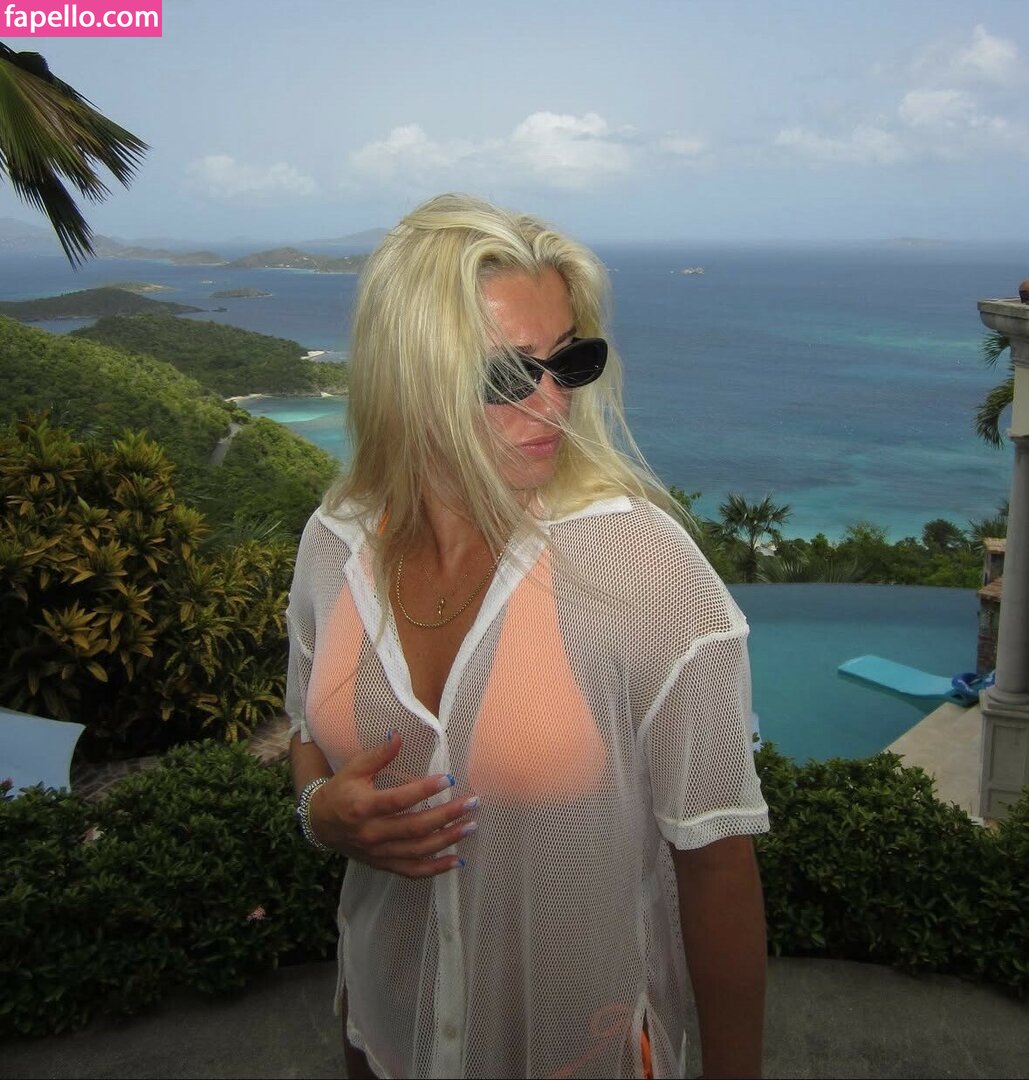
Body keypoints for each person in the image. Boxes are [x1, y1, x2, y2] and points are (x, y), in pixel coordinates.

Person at [286, 193, 769, 1080]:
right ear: (408, 375)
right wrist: (320, 811)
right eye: (507, 376)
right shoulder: (334, 542)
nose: (553, 403)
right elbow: (306, 734)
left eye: (570, 362)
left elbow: (717, 866)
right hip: (381, 1032)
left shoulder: (643, 568)